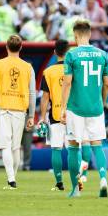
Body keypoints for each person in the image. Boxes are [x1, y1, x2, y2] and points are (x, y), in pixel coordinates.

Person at [60, 19, 108, 198]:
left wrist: (62, 108)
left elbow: (67, 83)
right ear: (90, 34)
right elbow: (106, 84)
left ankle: (75, 189)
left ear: (75, 35)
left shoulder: (71, 55)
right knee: (97, 145)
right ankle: (103, 179)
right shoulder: (102, 54)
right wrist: (102, 103)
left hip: (76, 108)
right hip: (96, 108)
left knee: (73, 146)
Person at [0, 35, 35, 189]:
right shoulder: (28, 67)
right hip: (20, 110)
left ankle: (11, 179)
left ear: (6, 47)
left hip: (3, 108)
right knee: (15, 147)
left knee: (5, 145)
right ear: (21, 47)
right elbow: (32, 93)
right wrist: (31, 115)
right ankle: (12, 179)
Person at [39, 40, 70, 191]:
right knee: (74, 149)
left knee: (56, 148)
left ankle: (59, 183)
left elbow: (45, 97)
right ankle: (77, 182)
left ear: (54, 52)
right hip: (73, 114)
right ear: (68, 51)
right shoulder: (74, 69)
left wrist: (42, 117)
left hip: (55, 115)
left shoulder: (48, 71)